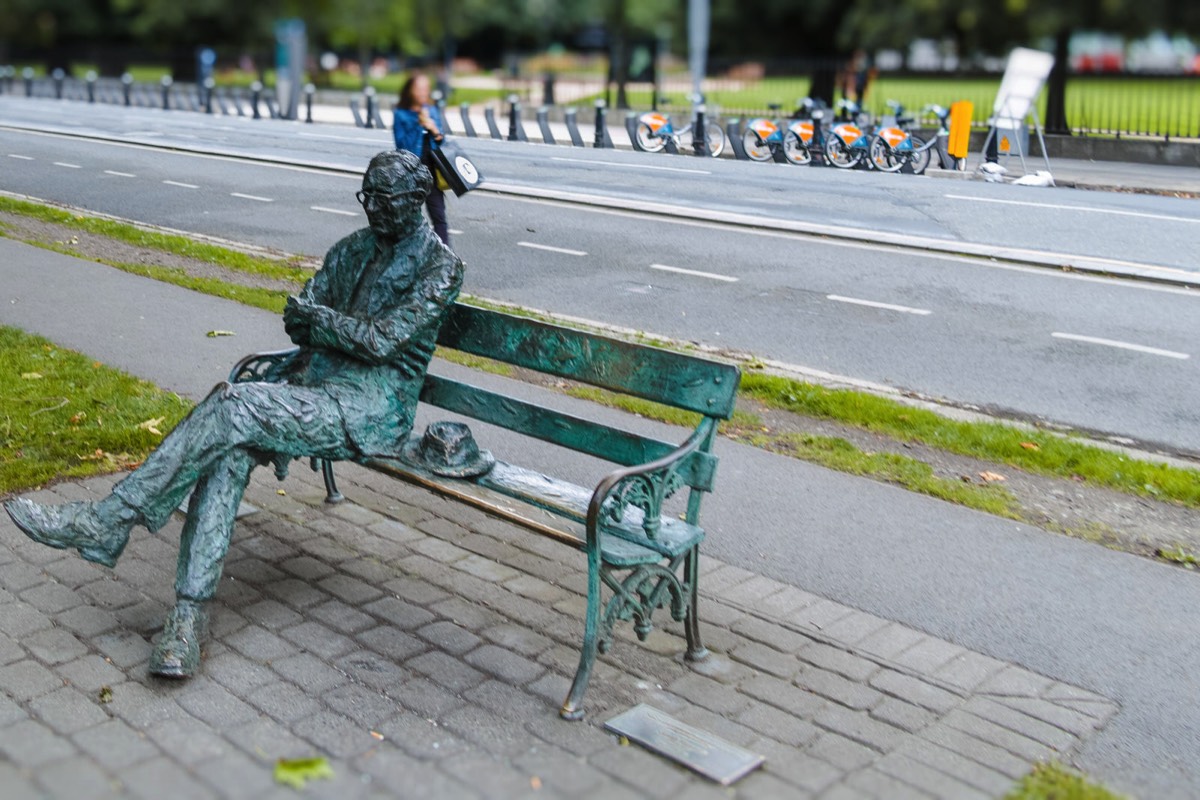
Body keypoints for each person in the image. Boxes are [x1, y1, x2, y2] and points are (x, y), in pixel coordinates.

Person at [4, 150, 463, 679]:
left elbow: (381, 341)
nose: (371, 210)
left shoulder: (441, 266)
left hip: (368, 409)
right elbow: (298, 317)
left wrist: (325, 322)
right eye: (366, 197)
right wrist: (327, 324)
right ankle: (186, 618)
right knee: (231, 445)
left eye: (382, 200)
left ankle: (107, 522)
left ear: (413, 201)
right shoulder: (352, 249)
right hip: (310, 388)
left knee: (233, 404)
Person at [393, 73, 450, 246]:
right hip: (411, 172)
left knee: (439, 217)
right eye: (419, 89)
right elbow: (402, 146)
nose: (424, 93)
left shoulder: (432, 111)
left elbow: (441, 140)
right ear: (410, 90)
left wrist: (433, 128)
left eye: (426, 89)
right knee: (408, 217)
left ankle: (445, 257)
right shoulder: (401, 115)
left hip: (432, 172)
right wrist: (418, 123)